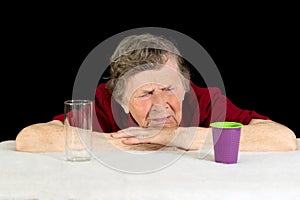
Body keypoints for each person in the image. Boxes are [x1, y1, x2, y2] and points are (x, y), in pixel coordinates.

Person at [15, 33, 298, 152]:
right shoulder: (105, 103)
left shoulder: (203, 99)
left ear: (185, 85)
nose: (161, 103)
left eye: (168, 88)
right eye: (146, 92)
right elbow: (30, 138)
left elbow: (282, 139)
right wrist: (121, 142)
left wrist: (176, 136)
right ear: (121, 101)